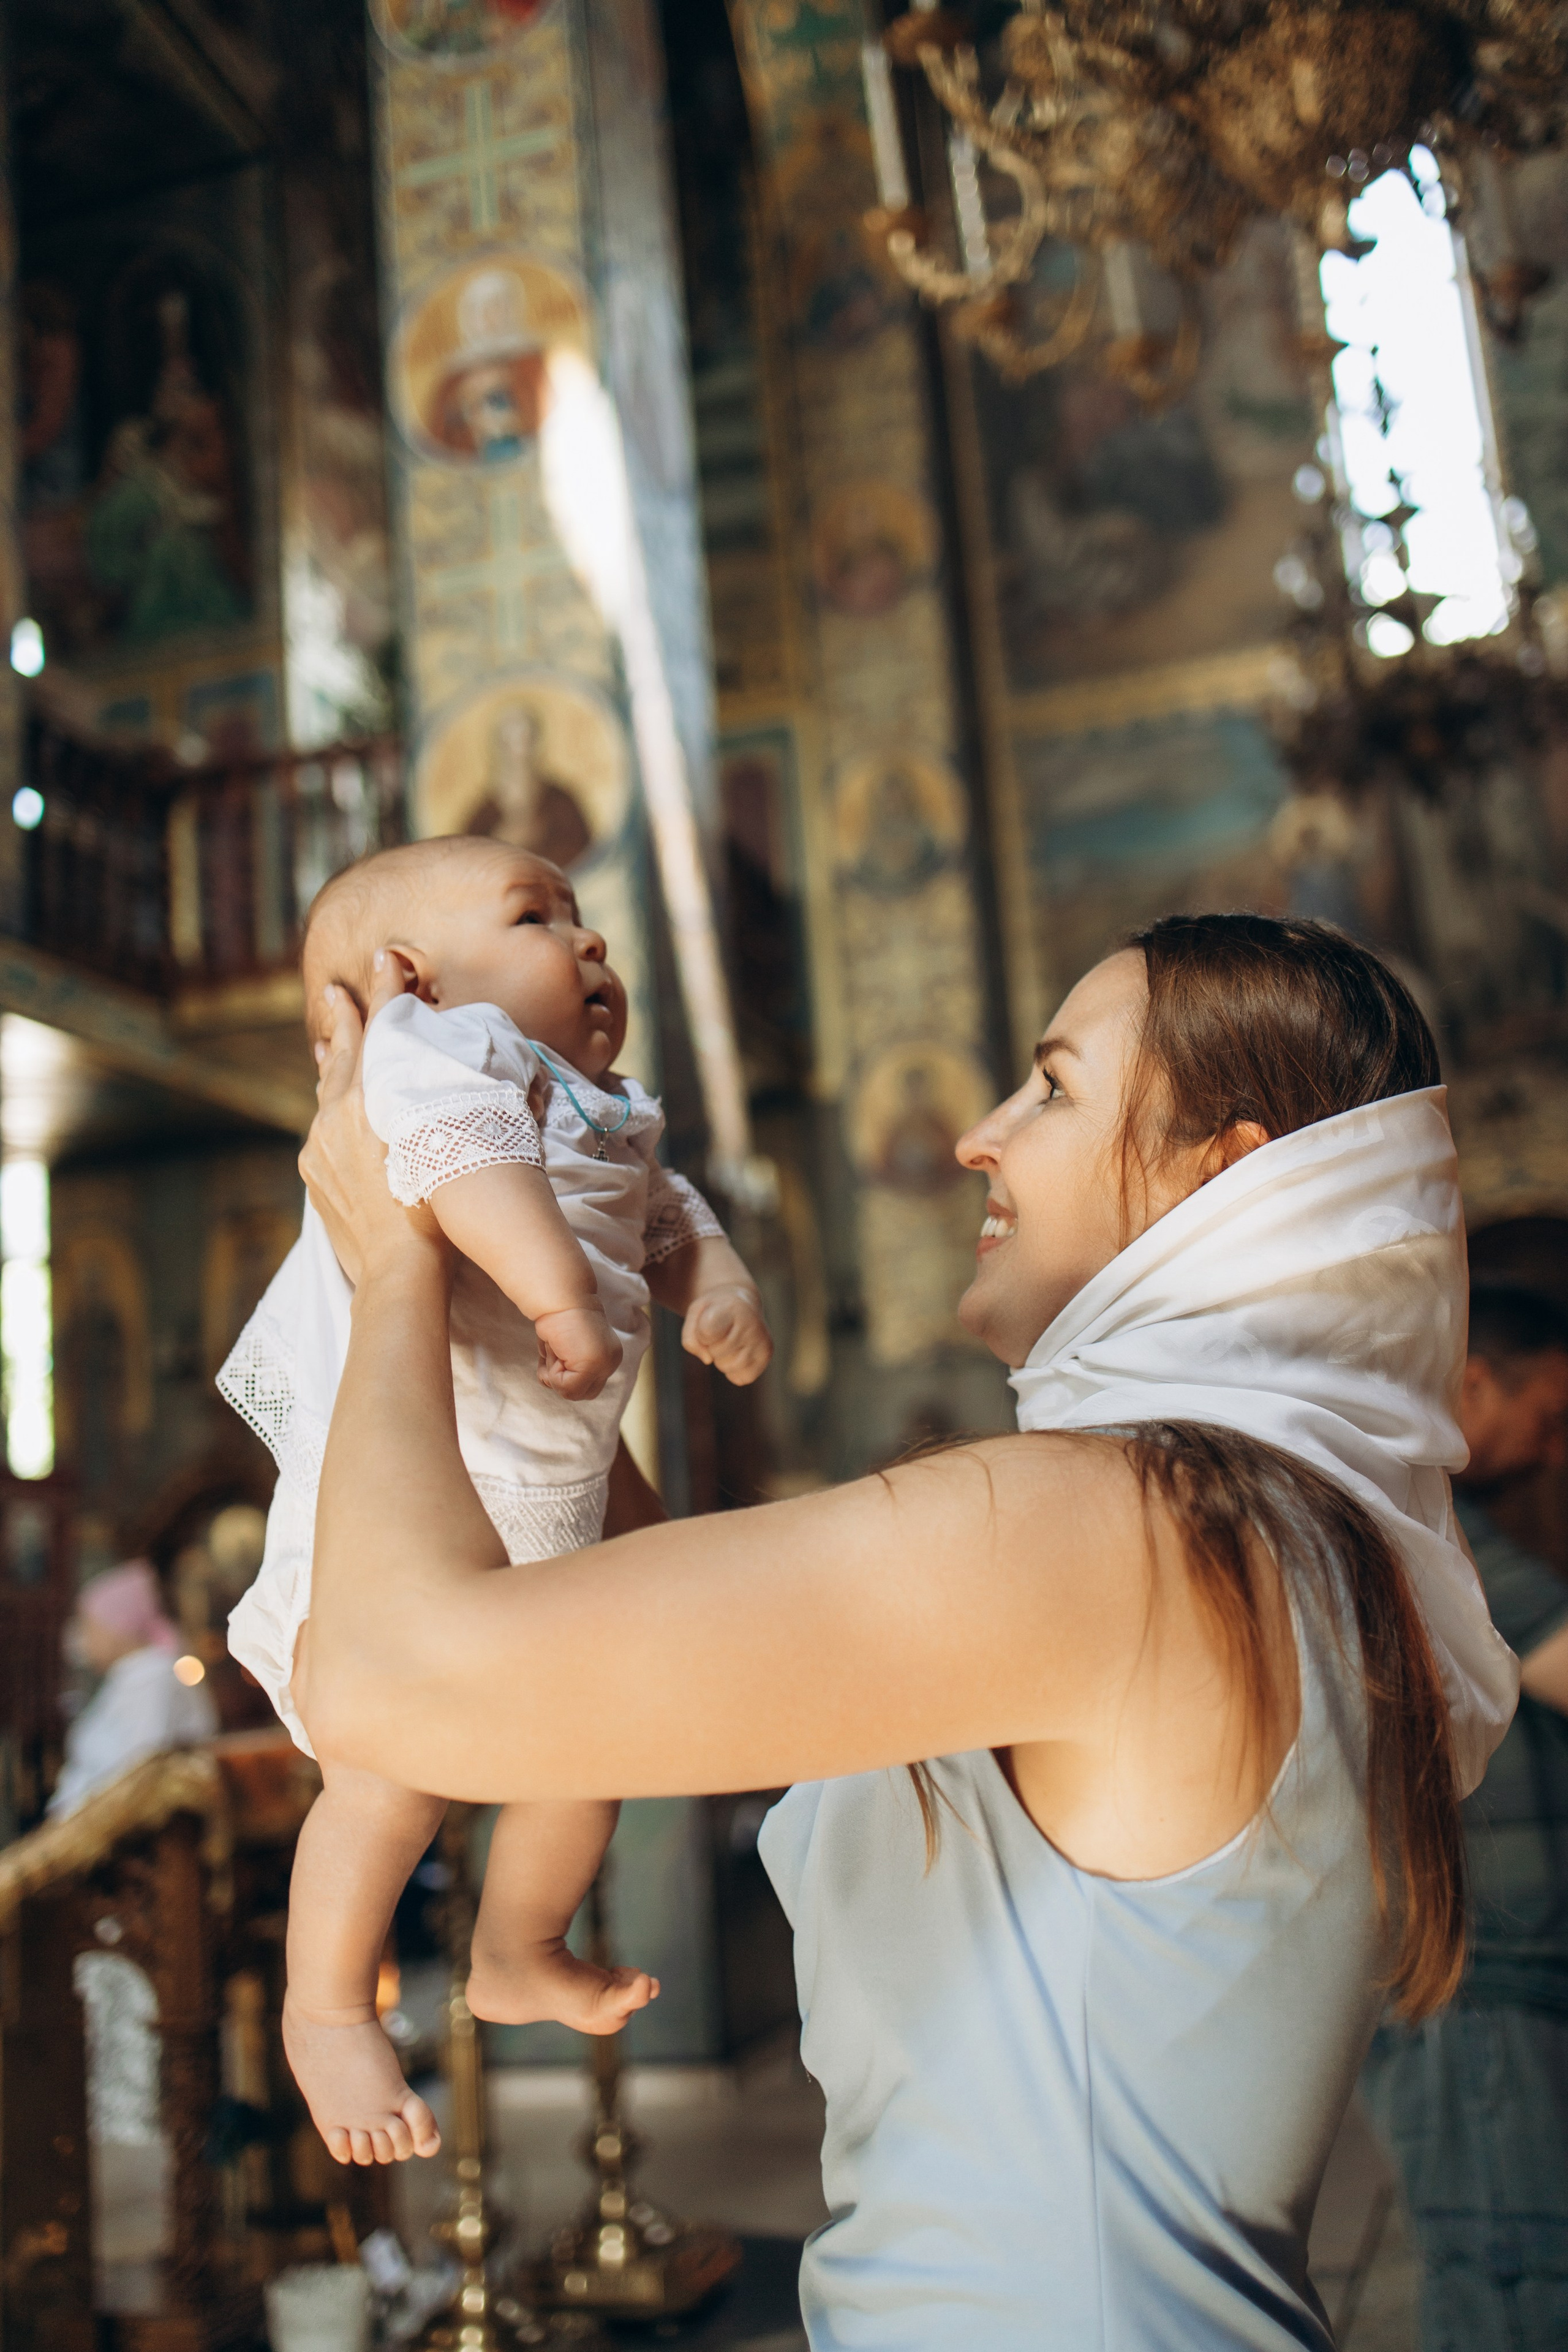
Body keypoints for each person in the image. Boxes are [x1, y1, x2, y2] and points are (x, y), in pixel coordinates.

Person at [293, 910, 1518, 2351]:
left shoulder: (1117, 1525)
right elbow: (625, 1612)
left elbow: (379, 1681)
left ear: (1221, 1173)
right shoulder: (1269, 1523)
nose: (975, 1137)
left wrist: (392, 1259)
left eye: (1053, 1088)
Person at [215, 835, 771, 2166]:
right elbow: (464, 1165)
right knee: (385, 1781)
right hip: (421, 1493)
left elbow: (664, 1210)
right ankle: (326, 2011)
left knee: (590, 1751)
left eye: (584, 922)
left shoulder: (600, 1105)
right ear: (407, 979)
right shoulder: (435, 1057)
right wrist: (557, 1298)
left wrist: (724, 1283)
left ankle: (518, 1950)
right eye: (538, 916)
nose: (588, 946)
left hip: (547, 1503)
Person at [1362, 1282, 1568, 2352]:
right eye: (1551, 1414)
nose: (1553, 1444)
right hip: (1473, 1981)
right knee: (1513, 2279)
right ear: (1476, 1382)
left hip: (1507, 1969)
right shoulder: (1420, 1521)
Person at [50, 1560, 217, 1818]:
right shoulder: (132, 1675)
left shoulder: (152, 1677)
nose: (81, 1638)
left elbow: (139, 1772)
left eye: (89, 1625)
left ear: (118, 1629)